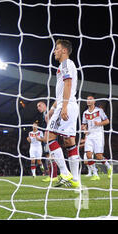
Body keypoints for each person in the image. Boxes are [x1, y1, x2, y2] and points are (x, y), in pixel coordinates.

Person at [46, 39, 80, 188]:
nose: (54, 51)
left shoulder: (66, 64)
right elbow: (63, 90)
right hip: (69, 104)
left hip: (66, 105)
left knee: (49, 137)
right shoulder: (67, 65)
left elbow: (68, 84)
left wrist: (63, 107)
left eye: (57, 48)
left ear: (64, 51)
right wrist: (54, 107)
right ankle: (76, 180)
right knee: (69, 141)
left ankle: (65, 173)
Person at [81, 95, 112, 180]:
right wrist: (84, 128)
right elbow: (84, 124)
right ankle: (95, 174)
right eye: (87, 99)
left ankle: (109, 167)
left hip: (98, 134)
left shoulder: (99, 110)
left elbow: (107, 121)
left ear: (94, 101)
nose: (88, 101)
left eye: (90, 99)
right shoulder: (85, 113)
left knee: (98, 156)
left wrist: (99, 124)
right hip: (89, 135)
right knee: (88, 155)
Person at [36, 101, 58, 182]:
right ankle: (51, 175)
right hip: (47, 136)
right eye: (37, 107)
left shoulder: (49, 113)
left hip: (51, 136)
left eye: (39, 106)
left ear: (44, 105)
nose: (38, 108)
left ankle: (54, 175)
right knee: (48, 155)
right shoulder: (43, 115)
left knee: (51, 156)